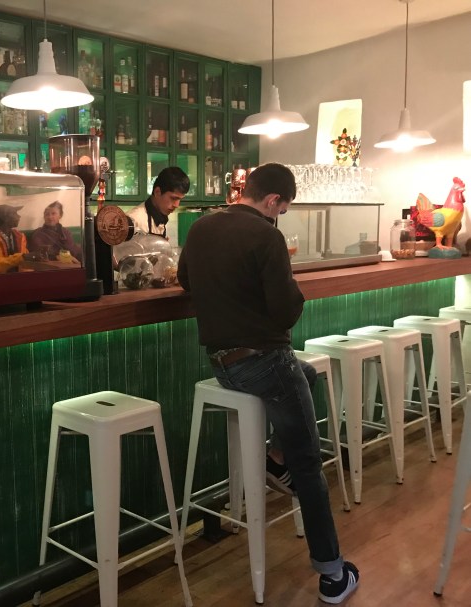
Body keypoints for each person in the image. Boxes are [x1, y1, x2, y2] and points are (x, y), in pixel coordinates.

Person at [176, 163, 359, 604]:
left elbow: (184, 281)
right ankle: (333, 574)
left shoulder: (200, 227)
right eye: (284, 208)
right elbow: (286, 311)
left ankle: (275, 459)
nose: (281, 215)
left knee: (307, 373)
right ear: (273, 200)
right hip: (264, 363)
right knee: (309, 464)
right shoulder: (267, 236)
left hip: (223, 366)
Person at [127, 166, 189, 239]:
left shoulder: (160, 216)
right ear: (157, 192)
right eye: (173, 198)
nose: (177, 205)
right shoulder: (133, 221)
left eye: (180, 199)